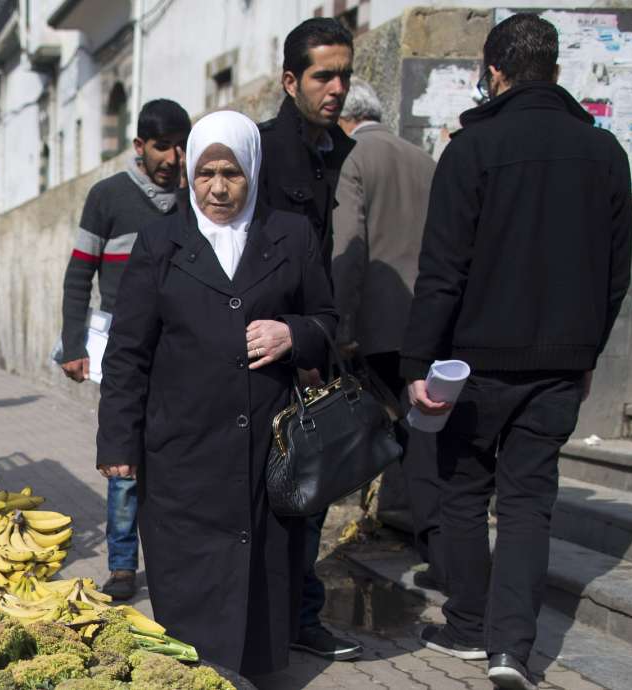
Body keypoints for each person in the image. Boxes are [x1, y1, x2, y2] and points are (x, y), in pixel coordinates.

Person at [402, 14, 632, 690]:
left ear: (494, 71)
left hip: (474, 362)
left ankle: (470, 626)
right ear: (555, 72)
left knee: (465, 489)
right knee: (530, 502)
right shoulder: (605, 152)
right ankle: (511, 649)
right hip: (560, 364)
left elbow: (441, 270)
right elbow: (617, 271)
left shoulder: (472, 151)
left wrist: (419, 363)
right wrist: (586, 353)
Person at [97, 110, 337, 676]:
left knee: (263, 572)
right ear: (189, 173)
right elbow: (128, 350)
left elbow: (327, 319)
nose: (219, 188)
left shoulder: (292, 234)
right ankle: (195, 677)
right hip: (183, 448)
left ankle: (256, 673)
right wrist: (117, 443)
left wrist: (293, 333)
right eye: (206, 174)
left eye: (232, 173)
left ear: (253, 170)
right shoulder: (161, 244)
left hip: (267, 451)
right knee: (190, 577)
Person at [259, 17, 362, 661]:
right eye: (324, 75)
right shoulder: (264, 150)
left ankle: (301, 616)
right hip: (269, 351)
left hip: (320, 349)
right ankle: (267, 617)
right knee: (267, 494)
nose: (337, 87)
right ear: (291, 79)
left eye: (345, 75)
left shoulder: (343, 155)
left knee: (312, 491)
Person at [60, 98, 191, 602]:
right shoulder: (108, 196)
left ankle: (173, 558)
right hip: (123, 349)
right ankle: (120, 566)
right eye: (162, 147)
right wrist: (74, 344)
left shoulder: (193, 198)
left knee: (174, 452)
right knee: (123, 457)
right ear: (139, 146)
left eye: (181, 147)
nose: (173, 159)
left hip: (179, 348)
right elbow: (79, 273)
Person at [332, 79, 446, 590]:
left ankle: (429, 544)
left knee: (401, 435)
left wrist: (341, 325)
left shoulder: (352, 157)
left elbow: (348, 245)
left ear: (343, 118)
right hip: (431, 323)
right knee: (426, 435)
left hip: (377, 326)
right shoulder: (422, 158)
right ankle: (437, 544)